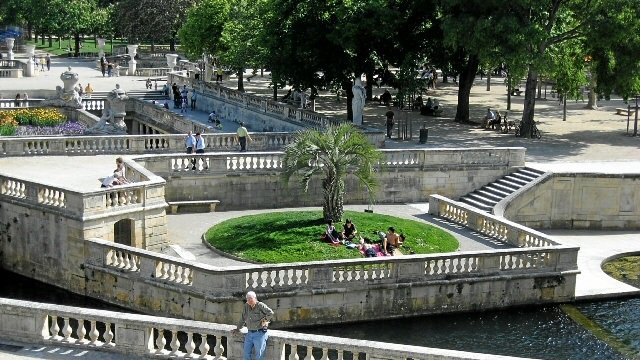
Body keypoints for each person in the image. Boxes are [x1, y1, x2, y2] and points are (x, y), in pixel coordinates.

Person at [231, 291, 274, 360]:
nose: (249, 300)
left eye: (251, 298)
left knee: (259, 355)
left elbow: (270, 313)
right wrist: (238, 328)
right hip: (249, 333)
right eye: (248, 299)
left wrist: (264, 320)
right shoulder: (246, 306)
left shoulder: (260, 305)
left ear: (255, 298)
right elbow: (242, 318)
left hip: (260, 333)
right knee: (246, 354)